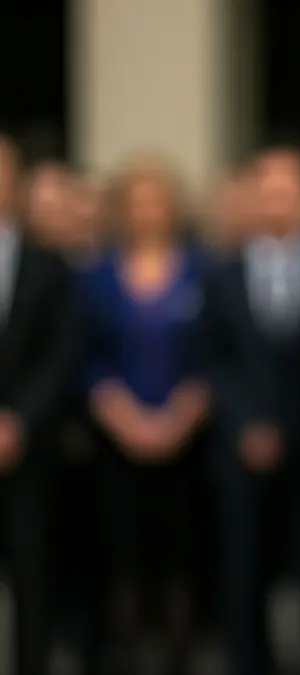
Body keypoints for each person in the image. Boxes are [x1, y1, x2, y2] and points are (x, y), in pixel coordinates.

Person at [199, 143, 300, 675]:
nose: (279, 201)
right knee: (243, 574)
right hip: (240, 448)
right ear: (252, 198)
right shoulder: (220, 273)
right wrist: (249, 424)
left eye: (290, 190)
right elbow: (213, 359)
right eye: (269, 190)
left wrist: (291, 428)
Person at [78, 154, 211, 674]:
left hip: (188, 439)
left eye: (156, 200)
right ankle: (125, 659)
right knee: (122, 561)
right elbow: (86, 357)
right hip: (116, 439)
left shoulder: (204, 269)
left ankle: (180, 659)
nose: (147, 211)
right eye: (136, 202)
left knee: (182, 560)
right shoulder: (96, 276)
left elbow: (214, 355)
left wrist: (181, 416)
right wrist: (124, 419)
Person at [0, 136, 75, 675]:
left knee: (31, 574)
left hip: (25, 449)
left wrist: (18, 419)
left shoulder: (48, 264)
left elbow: (60, 354)